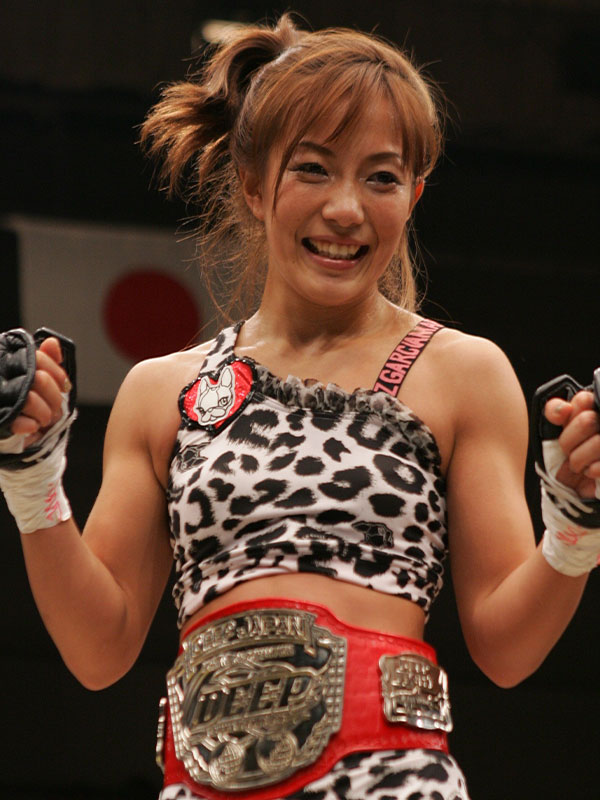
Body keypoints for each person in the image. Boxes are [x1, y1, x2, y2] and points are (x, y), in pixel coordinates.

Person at [1, 14, 599, 800]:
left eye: (381, 178)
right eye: (313, 169)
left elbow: (507, 650)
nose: (347, 208)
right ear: (253, 185)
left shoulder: (462, 373)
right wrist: (31, 478)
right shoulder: (161, 391)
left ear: (414, 195)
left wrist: (576, 525)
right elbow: (96, 650)